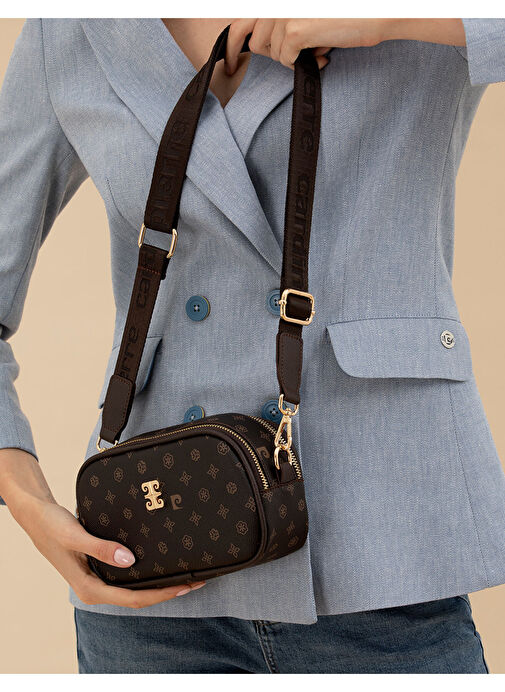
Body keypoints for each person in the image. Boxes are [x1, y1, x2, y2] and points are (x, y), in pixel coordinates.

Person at [0, 17, 503, 674]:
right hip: (155, 562)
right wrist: (27, 500)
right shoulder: (73, 29)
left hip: (382, 541)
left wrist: (387, 16)